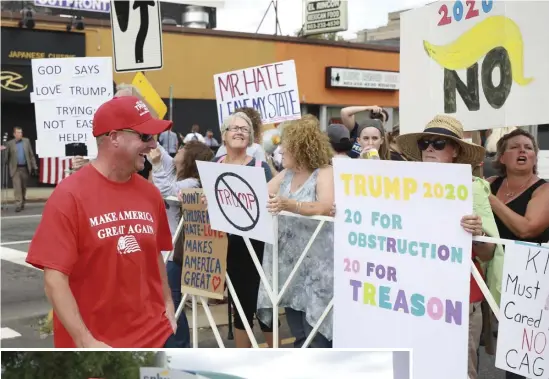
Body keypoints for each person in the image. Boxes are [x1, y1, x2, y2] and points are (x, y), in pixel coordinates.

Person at [25, 96, 178, 348]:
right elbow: (54, 280)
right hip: (97, 349)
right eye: (145, 136)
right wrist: (86, 341)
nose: (153, 145)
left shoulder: (151, 194)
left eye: (153, 137)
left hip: (152, 338)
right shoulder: (69, 196)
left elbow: (155, 256)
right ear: (114, 137)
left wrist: (168, 303)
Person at [396, 114, 500, 379]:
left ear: (455, 151)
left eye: (439, 143)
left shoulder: (472, 188)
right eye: (425, 143)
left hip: (459, 297)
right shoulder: (403, 187)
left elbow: (489, 252)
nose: (430, 148)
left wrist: (476, 233)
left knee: (458, 370)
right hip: (415, 295)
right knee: (416, 368)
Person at [257, 118, 335, 348]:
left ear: (301, 147)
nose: (281, 149)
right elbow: (258, 194)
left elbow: (324, 206)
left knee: (317, 335)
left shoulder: (324, 172)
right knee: (299, 335)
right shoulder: (286, 174)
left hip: (317, 269)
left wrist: (288, 205)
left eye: (286, 145)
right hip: (290, 268)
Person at [202, 111, 274, 348]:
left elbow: (269, 205)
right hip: (226, 247)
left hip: (255, 248)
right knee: (240, 308)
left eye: (245, 129)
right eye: (234, 128)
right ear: (223, 136)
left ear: (251, 138)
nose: (240, 132)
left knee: (265, 310)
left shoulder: (261, 168)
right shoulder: (215, 165)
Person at [149, 140, 214, 348]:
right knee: (167, 298)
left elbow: (165, 190)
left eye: (184, 148)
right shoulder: (177, 172)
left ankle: (180, 343)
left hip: (175, 251)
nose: (179, 149)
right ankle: (173, 341)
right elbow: (157, 148)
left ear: (190, 157)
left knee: (173, 300)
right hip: (165, 248)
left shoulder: (192, 183)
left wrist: (157, 165)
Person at [70, 83, 155, 180]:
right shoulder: (102, 133)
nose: (118, 105)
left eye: (125, 102)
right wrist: (85, 166)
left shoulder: (147, 140)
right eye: (116, 101)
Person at [5, 127, 37, 212]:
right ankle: (18, 204)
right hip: (15, 169)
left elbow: (31, 155)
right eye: (18, 132)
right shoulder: (9, 144)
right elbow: (6, 158)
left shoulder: (26, 141)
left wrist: (35, 167)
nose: (20, 134)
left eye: (21, 132)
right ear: (14, 134)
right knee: (17, 188)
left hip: (25, 168)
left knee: (23, 187)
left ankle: (22, 202)